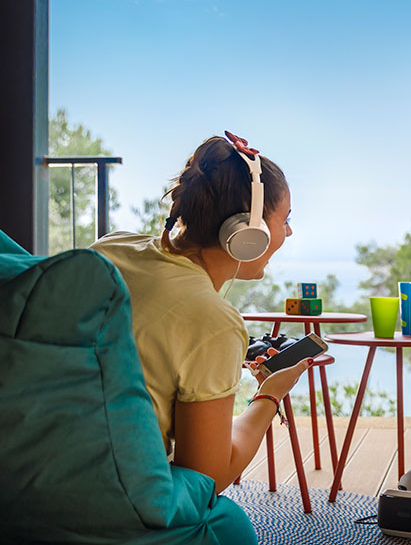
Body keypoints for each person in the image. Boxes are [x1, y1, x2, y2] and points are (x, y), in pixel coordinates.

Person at [91, 132, 309, 493]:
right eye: (284, 219)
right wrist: (270, 395)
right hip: (108, 498)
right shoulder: (213, 322)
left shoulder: (110, 247)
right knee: (230, 525)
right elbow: (205, 478)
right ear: (247, 232)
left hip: (25, 467)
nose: (288, 231)